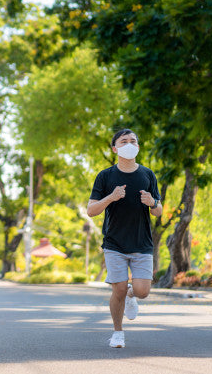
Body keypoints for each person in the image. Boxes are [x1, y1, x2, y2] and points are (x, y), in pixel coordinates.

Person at [87, 129, 162, 348]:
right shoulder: (105, 176)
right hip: (114, 243)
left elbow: (159, 211)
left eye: (133, 141)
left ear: (138, 147)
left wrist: (153, 203)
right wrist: (111, 197)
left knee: (142, 291)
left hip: (142, 243)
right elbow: (91, 210)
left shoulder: (147, 175)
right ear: (115, 148)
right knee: (117, 289)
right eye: (124, 141)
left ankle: (132, 296)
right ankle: (118, 333)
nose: (129, 144)